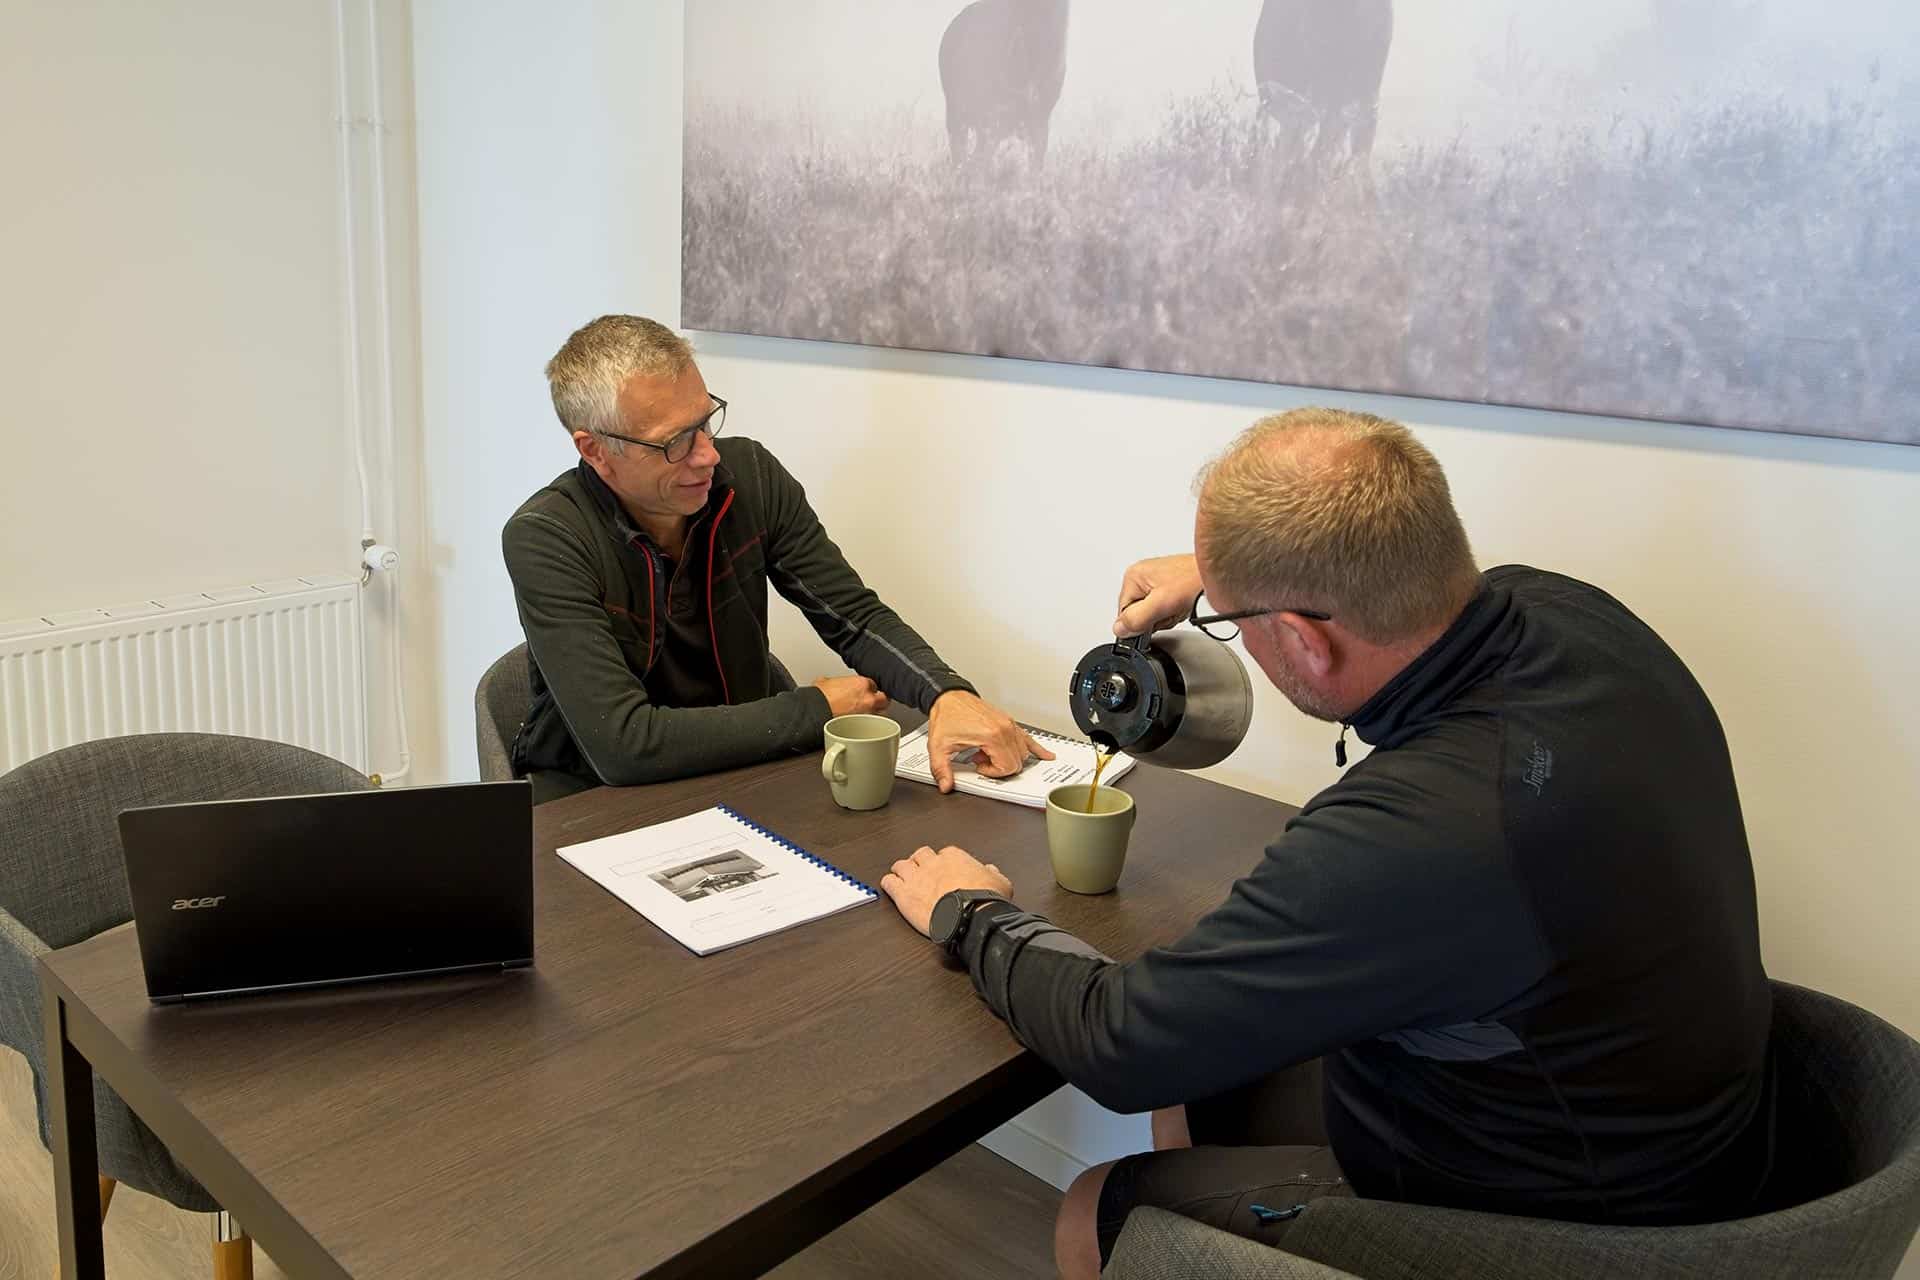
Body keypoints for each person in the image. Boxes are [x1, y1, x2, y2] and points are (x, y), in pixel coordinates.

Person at [880, 408, 1774, 1278]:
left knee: (1099, 1205)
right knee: (1197, 1080)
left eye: (1236, 624)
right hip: (1649, 1115)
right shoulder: (1574, 613)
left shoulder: (1420, 832)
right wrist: (1222, 575)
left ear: (1305, 639)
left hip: (1568, 1223)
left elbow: (1121, 1044)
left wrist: (971, 913)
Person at [502, 315, 1048, 803]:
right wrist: (815, 710)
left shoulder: (751, 479)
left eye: (706, 420)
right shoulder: (546, 538)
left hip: (743, 774)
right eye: (675, 443)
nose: (707, 454)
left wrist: (945, 694)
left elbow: (852, 617)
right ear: (595, 450)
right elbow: (624, 745)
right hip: (592, 802)